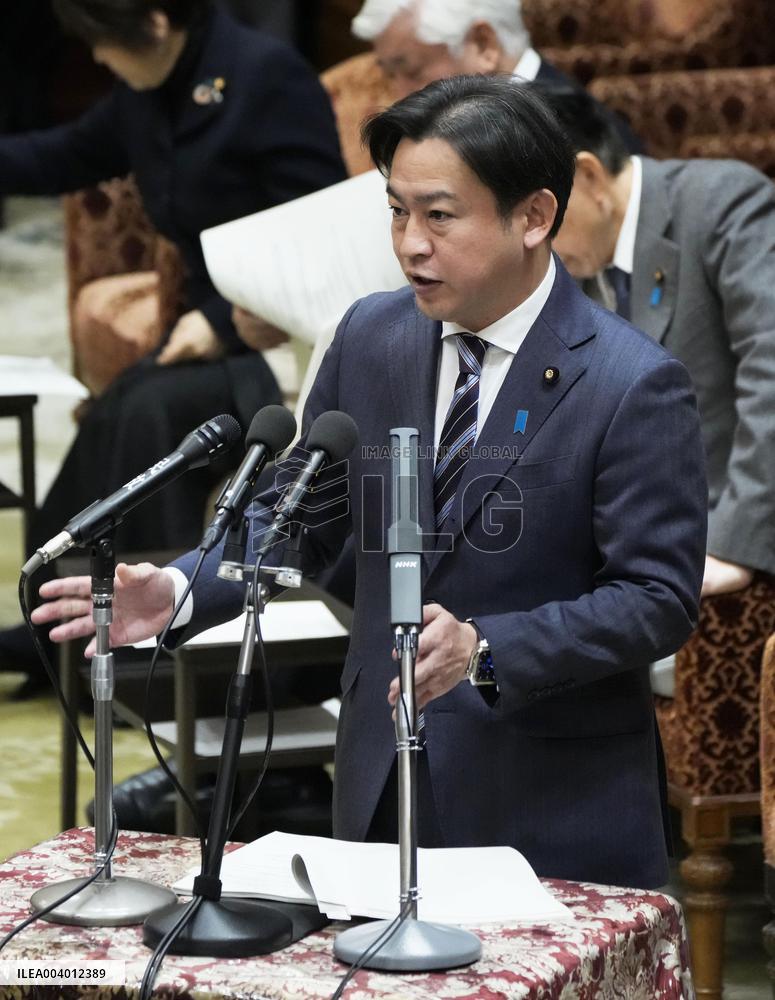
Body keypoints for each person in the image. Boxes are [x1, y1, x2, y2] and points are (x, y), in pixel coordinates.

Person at [35, 76, 708, 888]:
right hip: (378, 782)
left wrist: (486, 650)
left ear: (533, 216)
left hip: (545, 805)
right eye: (396, 211)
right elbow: (300, 516)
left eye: (438, 215)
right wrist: (180, 590)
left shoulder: (631, 384)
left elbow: (654, 599)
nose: (409, 243)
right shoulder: (371, 337)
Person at [0, 0, 346, 688]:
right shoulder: (148, 91)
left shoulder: (265, 78)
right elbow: (61, 156)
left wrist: (221, 320)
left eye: (103, 43)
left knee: (152, 408)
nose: (97, 59)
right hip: (211, 335)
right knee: (126, 398)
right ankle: (57, 610)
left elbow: (322, 238)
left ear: (153, 24)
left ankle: (143, 648)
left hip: (281, 342)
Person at [534, 82, 775, 598]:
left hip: (716, 535)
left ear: (588, 176)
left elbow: (772, 366)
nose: (532, 240)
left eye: (537, 215)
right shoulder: (567, 267)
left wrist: (735, 543)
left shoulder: (721, 204)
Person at [351, 0, 642, 150]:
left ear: (484, 44)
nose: (399, 96)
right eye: (389, 75)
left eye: (411, 71)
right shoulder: (491, 116)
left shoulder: (564, 135)